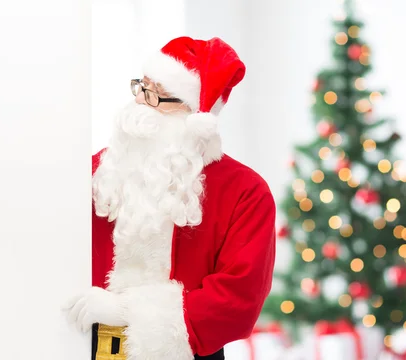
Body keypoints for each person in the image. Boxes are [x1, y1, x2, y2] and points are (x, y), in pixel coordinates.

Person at [63, 36, 277, 360]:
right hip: (81, 347)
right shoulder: (101, 170)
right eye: (142, 88)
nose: (140, 105)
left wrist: (126, 311)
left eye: (157, 97)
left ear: (195, 117)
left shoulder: (246, 193)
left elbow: (239, 300)